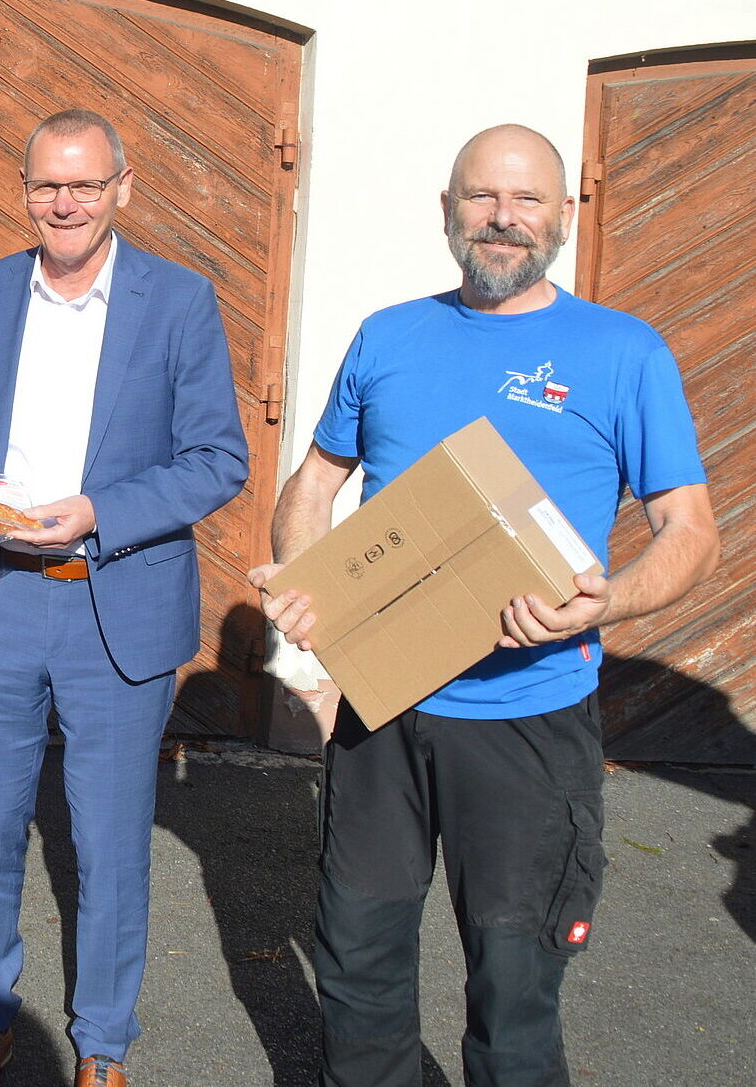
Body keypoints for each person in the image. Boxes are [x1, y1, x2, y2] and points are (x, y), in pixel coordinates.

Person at [250, 124, 718, 1087]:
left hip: (527, 718)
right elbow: (311, 484)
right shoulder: (388, 336)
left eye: (526, 200)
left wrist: (605, 602)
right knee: (357, 968)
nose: (502, 219)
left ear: (564, 216)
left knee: (513, 993)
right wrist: (306, 585)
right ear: (446, 209)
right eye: (480, 198)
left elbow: (690, 531)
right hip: (381, 708)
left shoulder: (623, 352)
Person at [0, 108, 247, 1087]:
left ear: (122, 187)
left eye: (83, 184)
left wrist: (98, 511)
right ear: (22, 192)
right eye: (45, 185)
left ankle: (102, 1042)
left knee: (109, 843)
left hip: (114, 601)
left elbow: (217, 460)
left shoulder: (179, 300)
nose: (62, 202)